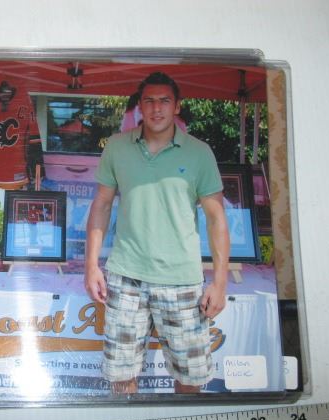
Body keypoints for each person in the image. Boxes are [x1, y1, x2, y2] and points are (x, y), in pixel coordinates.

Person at [85, 72, 229, 395]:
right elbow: (102, 205)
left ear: (177, 106)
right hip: (126, 278)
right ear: (140, 106)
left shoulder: (199, 153)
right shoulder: (117, 147)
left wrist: (219, 283)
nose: (156, 108)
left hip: (181, 280)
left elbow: (216, 219)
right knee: (121, 378)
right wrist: (91, 266)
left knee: (190, 379)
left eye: (164, 100)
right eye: (149, 101)